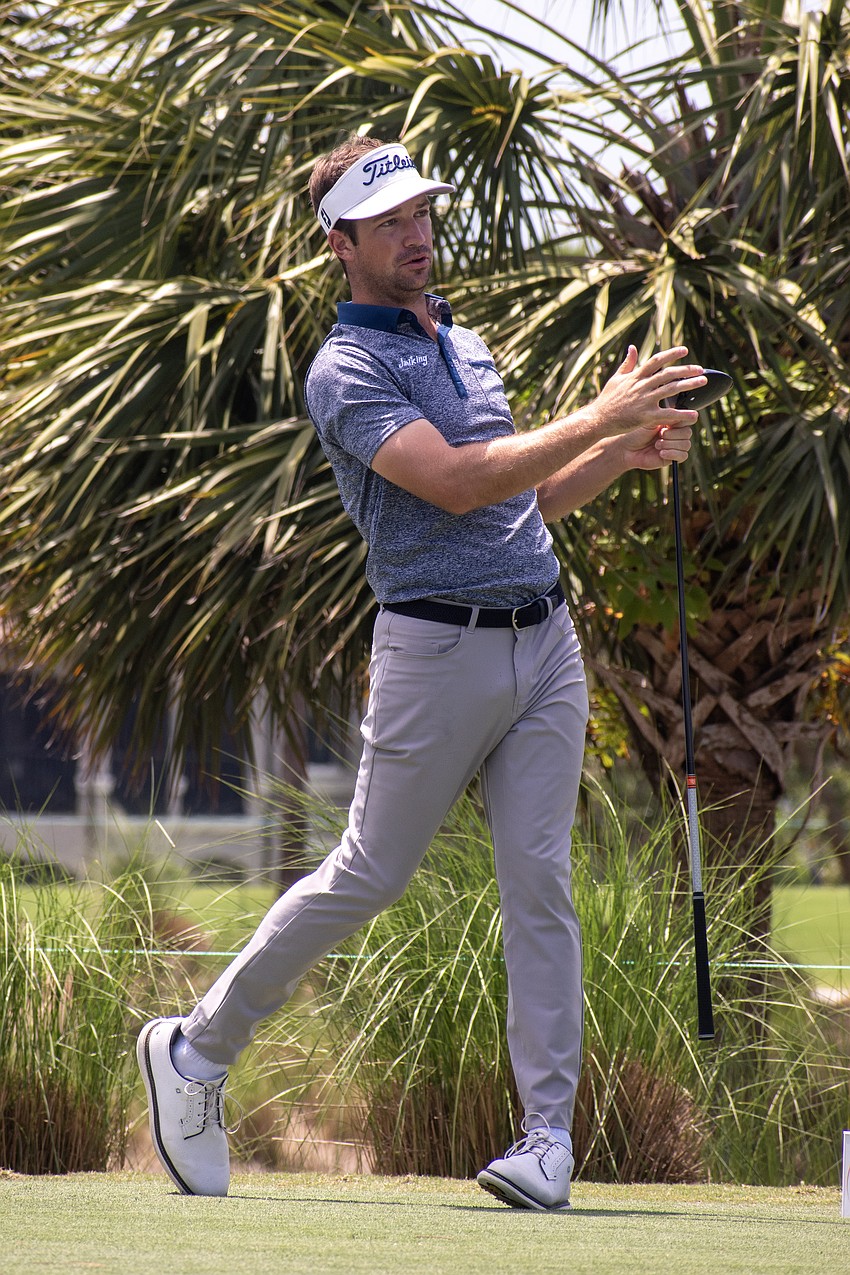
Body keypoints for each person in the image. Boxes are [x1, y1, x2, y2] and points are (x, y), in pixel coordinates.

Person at [137, 135, 704, 1211]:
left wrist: (612, 454)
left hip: (544, 638)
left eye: (421, 214)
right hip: (432, 651)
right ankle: (198, 1047)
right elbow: (448, 484)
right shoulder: (344, 370)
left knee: (540, 885)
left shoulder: (466, 342)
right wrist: (600, 415)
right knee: (369, 873)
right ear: (341, 243)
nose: (416, 233)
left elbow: (513, 506)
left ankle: (546, 1141)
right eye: (390, 221)